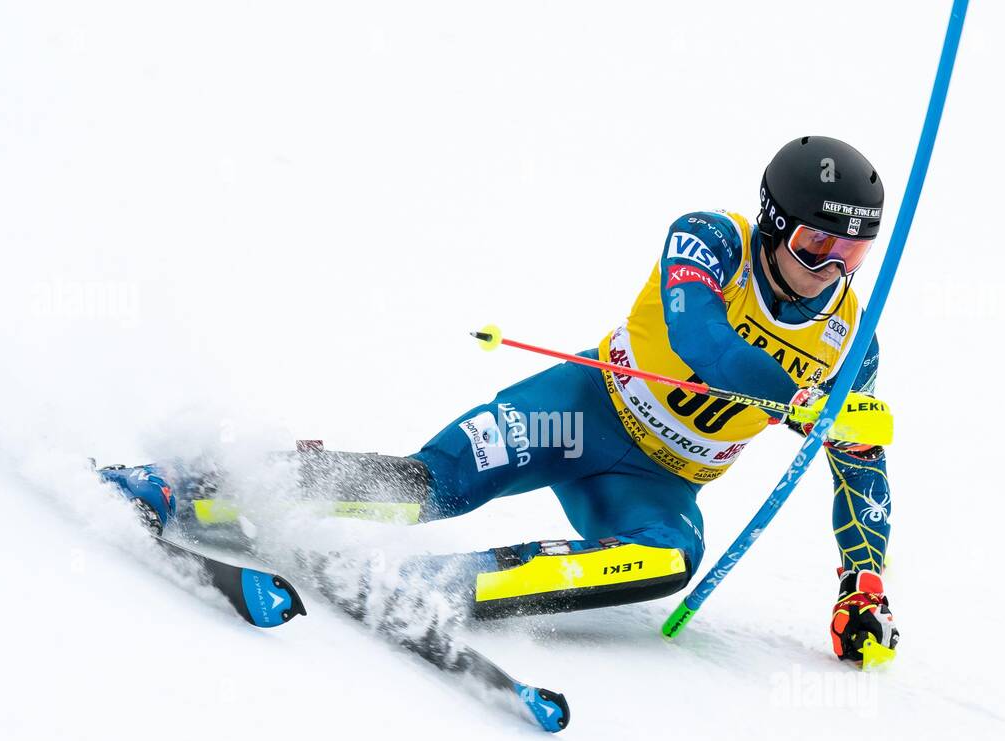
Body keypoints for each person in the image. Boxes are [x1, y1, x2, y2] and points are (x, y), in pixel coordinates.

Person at [101, 135, 899, 664]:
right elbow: (697, 339)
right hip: (580, 413)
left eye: (852, 252)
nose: (830, 270)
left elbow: (860, 462)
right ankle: (191, 482)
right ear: (772, 223)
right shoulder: (710, 238)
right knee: (431, 487)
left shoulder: (848, 341)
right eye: (814, 245)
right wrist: (800, 397)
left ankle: (439, 587)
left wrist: (863, 586)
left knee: (668, 559)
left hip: (655, 484)